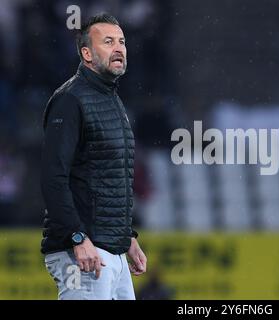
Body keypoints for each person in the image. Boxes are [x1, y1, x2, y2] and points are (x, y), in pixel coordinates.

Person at [40, 13, 147, 300]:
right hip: (83, 251)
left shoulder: (110, 98)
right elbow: (53, 177)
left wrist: (127, 237)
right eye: (108, 41)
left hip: (111, 249)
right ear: (87, 53)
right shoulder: (70, 99)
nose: (119, 48)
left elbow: (107, 178)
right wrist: (77, 236)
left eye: (122, 41)